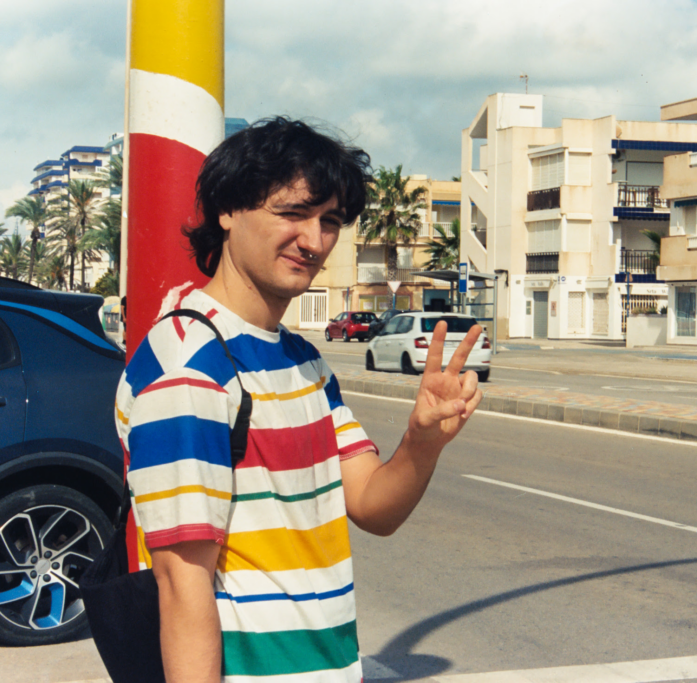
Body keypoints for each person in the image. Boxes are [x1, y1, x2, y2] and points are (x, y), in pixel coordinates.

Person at [114, 117, 483, 682]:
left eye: (329, 221)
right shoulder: (190, 368)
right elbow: (180, 585)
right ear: (228, 210)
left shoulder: (299, 359)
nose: (314, 241)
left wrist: (423, 440)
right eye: (291, 214)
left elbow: (370, 507)